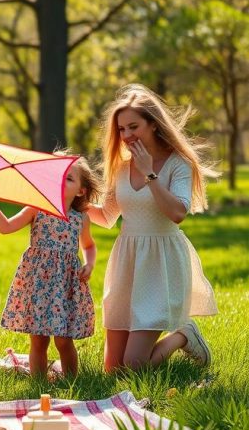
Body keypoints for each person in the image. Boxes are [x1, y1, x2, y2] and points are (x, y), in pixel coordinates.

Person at [87, 83, 217, 372]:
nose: (127, 135)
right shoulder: (120, 167)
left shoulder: (177, 164)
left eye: (133, 126)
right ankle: (179, 336)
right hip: (127, 261)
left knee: (134, 367)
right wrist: (72, 203)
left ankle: (184, 335)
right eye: (121, 129)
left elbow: (177, 213)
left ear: (154, 125)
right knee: (113, 370)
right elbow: (107, 216)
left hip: (160, 263)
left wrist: (149, 172)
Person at [0, 156, 99, 378]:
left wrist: (89, 263)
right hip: (38, 281)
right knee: (38, 338)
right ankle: (39, 384)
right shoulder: (36, 209)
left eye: (69, 178)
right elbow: (5, 227)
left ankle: (72, 382)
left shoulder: (80, 219)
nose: (61, 179)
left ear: (81, 191)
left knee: (64, 339)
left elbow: (90, 245)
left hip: (65, 284)